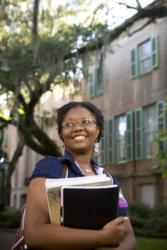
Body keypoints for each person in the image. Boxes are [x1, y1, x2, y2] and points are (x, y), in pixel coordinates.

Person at [24, 101, 136, 250]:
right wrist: (103, 237)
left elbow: (129, 236)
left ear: (97, 130)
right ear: (61, 134)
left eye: (86, 122)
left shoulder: (109, 179)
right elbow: (34, 234)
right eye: (69, 124)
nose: (77, 128)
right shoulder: (50, 167)